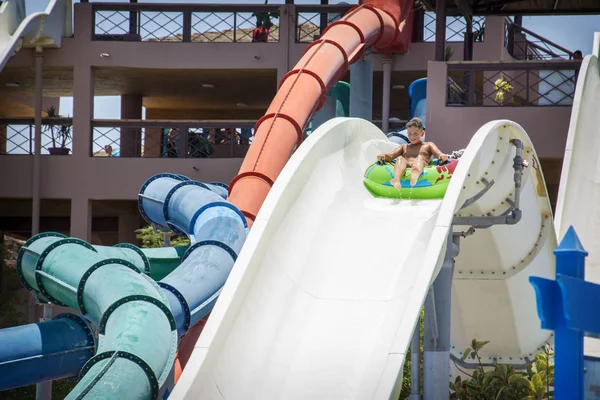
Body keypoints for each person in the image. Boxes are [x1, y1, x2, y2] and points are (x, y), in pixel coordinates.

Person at [376, 117, 449, 188]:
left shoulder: (428, 145)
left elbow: (439, 154)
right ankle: (396, 179)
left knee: (419, 159)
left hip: (422, 166)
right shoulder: (404, 147)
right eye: (409, 134)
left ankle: (414, 176)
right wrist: (384, 155)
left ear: (422, 133)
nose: (412, 137)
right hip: (406, 166)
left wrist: (442, 156)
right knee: (400, 159)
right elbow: (391, 155)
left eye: (415, 134)